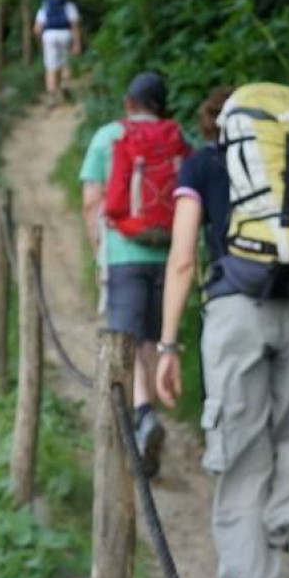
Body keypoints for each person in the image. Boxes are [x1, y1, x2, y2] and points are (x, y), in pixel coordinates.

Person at [156, 84, 289, 578]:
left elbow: (184, 257)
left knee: (242, 455)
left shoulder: (204, 164)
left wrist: (166, 345)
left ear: (214, 124)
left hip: (237, 314)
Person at [80, 71, 188, 478]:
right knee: (151, 341)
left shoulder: (107, 136)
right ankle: (146, 422)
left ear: (129, 102)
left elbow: (92, 202)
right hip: (168, 256)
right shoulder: (179, 139)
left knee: (124, 343)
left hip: (124, 253)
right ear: (162, 105)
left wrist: (97, 252)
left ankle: (141, 419)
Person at [33, 0, 82, 108]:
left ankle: (52, 97)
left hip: (49, 35)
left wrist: (40, 42)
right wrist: (77, 44)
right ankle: (65, 85)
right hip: (65, 34)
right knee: (66, 63)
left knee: (51, 68)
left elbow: (37, 29)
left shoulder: (45, 6)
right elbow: (75, 26)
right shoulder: (69, 5)